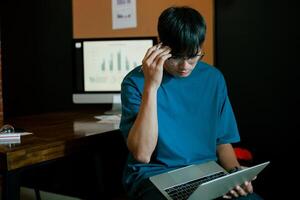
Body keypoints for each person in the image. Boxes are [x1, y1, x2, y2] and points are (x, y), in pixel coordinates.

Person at [120, 6, 263, 200]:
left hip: (206, 173)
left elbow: (222, 142)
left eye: (193, 56)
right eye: (176, 57)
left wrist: (235, 175)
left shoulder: (213, 78)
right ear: (161, 46)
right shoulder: (135, 82)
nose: (185, 66)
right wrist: (151, 86)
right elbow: (142, 154)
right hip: (154, 176)